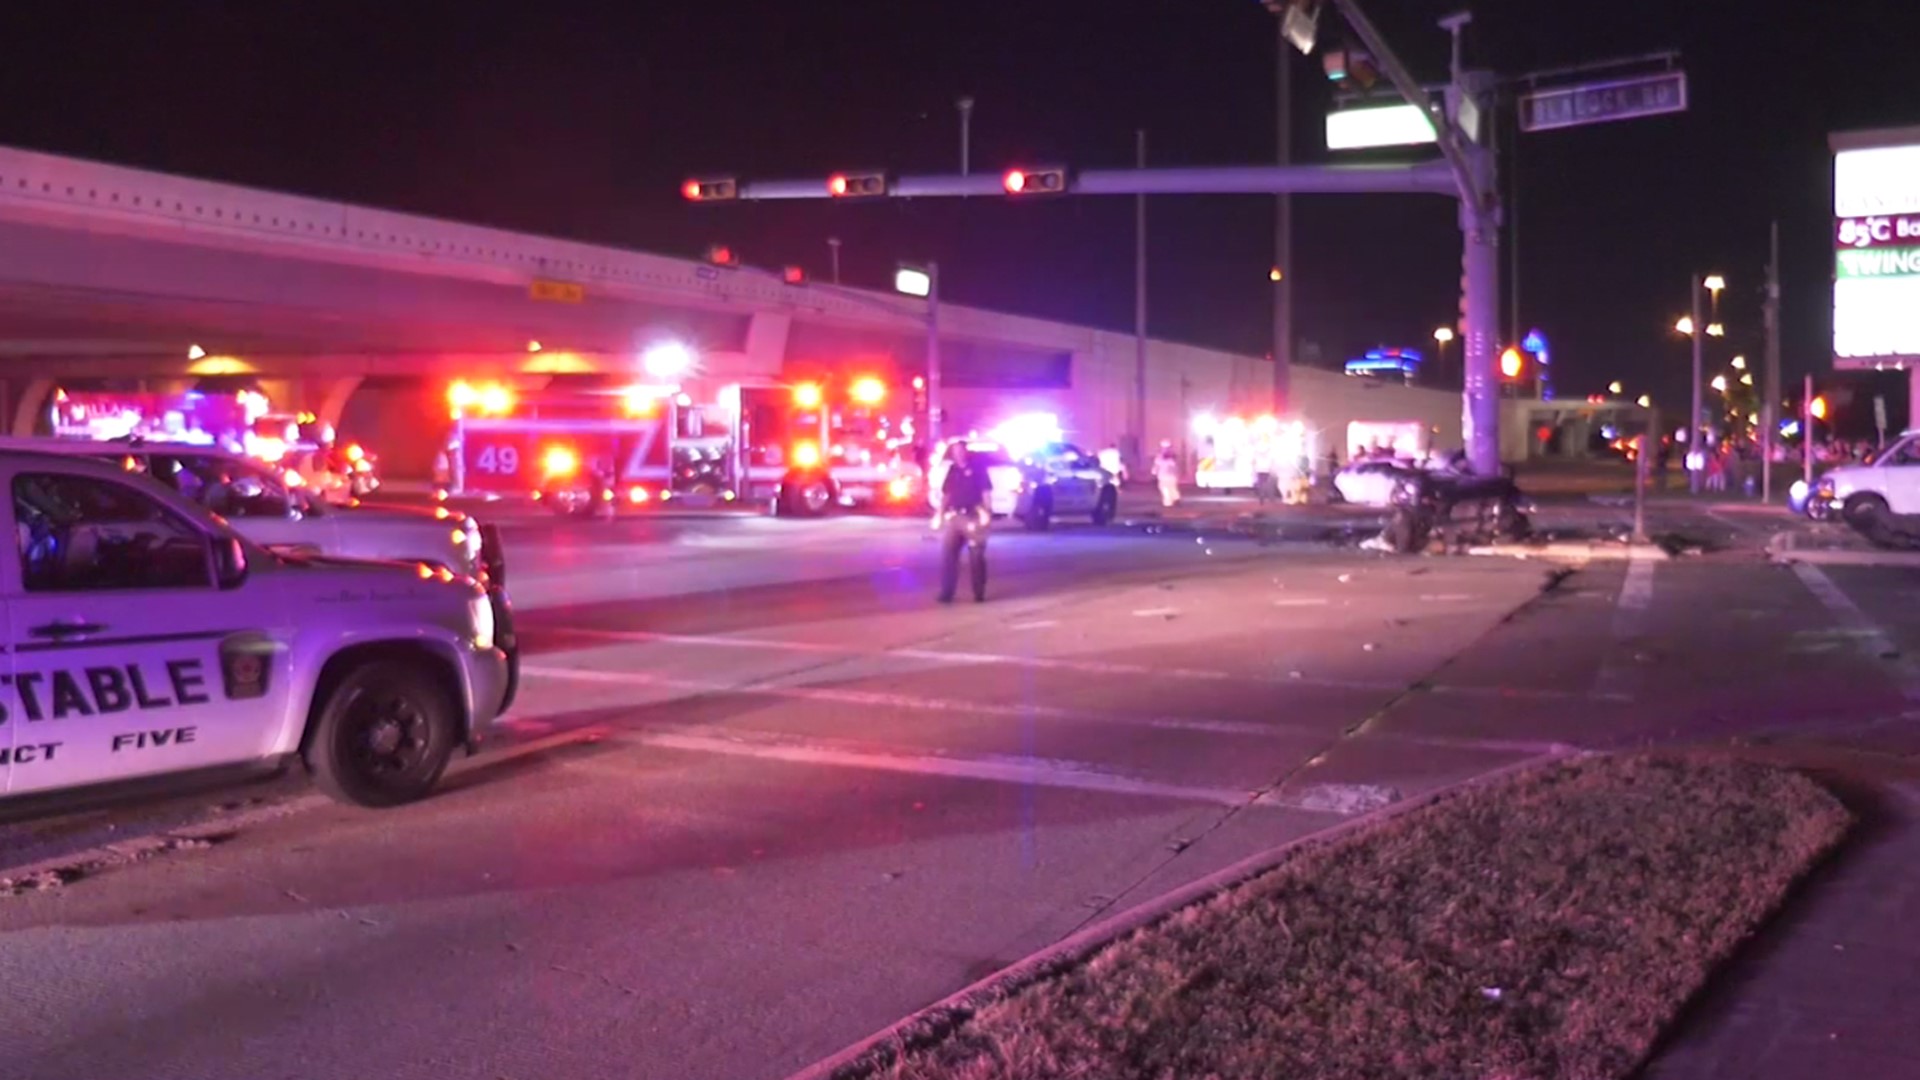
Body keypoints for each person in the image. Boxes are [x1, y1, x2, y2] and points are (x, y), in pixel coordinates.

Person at [935, 443, 991, 604]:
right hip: (955, 517)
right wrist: (939, 513)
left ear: (966, 451)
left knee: (976, 556)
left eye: (960, 451)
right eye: (955, 452)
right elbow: (947, 494)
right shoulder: (953, 470)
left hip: (974, 516)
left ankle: (979, 592)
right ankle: (947, 593)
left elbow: (986, 492)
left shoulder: (978, 469)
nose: (958, 454)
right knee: (948, 554)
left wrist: (986, 513)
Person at [1154, 440, 1181, 508]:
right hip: (1172, 476)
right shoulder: (1173, 456)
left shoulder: (1159, 457)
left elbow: (1156, 465)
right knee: (1172, 487)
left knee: (1165, 488)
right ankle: (1175, 498)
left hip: (1163, 475)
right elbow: (1176, 466)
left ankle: (1168, 502)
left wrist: (1154, 471)